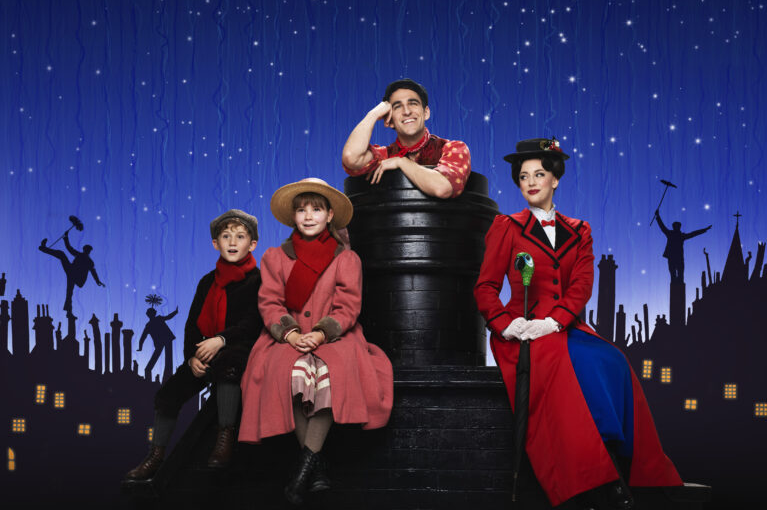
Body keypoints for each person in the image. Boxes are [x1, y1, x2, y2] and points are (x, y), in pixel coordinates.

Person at [473, 138, 682, 509]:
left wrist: (555, 322)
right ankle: (601, 481)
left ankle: (618, 458)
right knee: (567, 364)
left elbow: (582, 286)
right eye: (523, 176)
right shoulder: (506, 226)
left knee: (611, 360)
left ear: (555, 179)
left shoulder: (580, 230)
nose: (530, 182)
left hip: (563, 327)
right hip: (521, 331)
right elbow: (486, 287)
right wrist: (507, 324)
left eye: (539, 174)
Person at [238, 178, 393, 506]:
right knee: (286, 374)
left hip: (334, 336)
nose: (308, 216)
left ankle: (301, 472)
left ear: (329, 215)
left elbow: (348, 306)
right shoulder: (275, 257)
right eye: (301, 210)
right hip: (288, 335)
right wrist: (292, 334)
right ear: (293, 217)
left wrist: (321, 333)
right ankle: (316, 467)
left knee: (329, 376)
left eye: (317, 209)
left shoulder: (346, 259)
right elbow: (270, 302)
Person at [125, 210, 263, 480]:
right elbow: (192, 325)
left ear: (252, 244)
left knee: (229, 365)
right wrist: (192, 357)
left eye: (240, 237)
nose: (232, 242)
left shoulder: (258, 280)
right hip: (205, 351)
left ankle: (225, 436)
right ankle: (156, 455)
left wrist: (221, 340)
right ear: (215, 243)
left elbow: (253, 322)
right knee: (168, 395)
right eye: (226, 236)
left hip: (239, 348)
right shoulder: (207, 282)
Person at [341, 78, 471, 198]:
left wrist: (401, 162)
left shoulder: (453, 148)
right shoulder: (384, 155)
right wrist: (373, 114)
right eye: (397, 106)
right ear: (389, 121)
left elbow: (442, 188)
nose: (407, 111)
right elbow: (351, 157)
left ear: (426, 113)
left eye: (413, 103)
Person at [39, 230, 105, 317]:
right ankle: (69, 311)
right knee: (61, 254)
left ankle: (69, 311)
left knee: (69, 292)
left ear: (88, 251)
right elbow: (69, 248)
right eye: (86, 249)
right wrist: (66, 238)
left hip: (76, 276)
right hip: (71, 271)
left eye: (87, 250)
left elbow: (93, 272)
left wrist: (98, 281)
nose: (86, 251)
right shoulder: (81, 256)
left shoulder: (89, 261)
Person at [654, 210, 711, 282]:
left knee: (678, 276)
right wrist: (658, 216)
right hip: (674, 257)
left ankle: (678, 287)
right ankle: (676, 287)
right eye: (676, 226)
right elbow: (662, 227)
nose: (677, 228)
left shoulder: (677, 235)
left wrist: (704, 229)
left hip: (677, 257)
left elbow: (693, 233)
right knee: (675, 276)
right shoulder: (674, 234)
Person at [137, 306, 179, 381]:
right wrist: (140, 347)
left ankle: (166, 376)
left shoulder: (151, 324)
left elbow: (143, 337)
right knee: (166, 359)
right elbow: (143, 337)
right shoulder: (150, 324)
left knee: (167, 359)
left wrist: (140, 347)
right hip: (164, 340)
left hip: (165, 339)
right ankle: (151, 371)